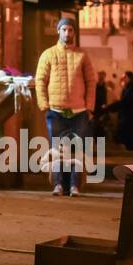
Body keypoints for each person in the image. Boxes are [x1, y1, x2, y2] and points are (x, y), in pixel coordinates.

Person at [34, 17, 96, 196]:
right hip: (55, 110)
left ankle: (75, 185)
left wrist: (89, 107)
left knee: (77, 150)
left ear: (74, 32)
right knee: (57, 149)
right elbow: (40, 80)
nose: (67, 33)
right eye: (64, 30)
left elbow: (91, 82)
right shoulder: (48, 54)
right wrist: (44, 105)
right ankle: (58, 184)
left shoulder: (82, 56)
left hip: (79, 111)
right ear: (58, 31)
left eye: (70, 30)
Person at [117, 70, 133, 150]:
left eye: (125, 77)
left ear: (130, 79)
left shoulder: (131, 90)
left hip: (131, 121)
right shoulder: (127, 89)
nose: (123, 79)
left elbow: (124, 102)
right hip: (128, 120)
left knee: (131, 146)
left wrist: (109, 107)